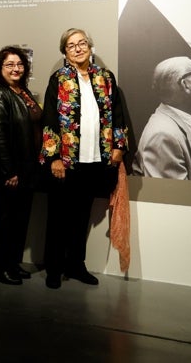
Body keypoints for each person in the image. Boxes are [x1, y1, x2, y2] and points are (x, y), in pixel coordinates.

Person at [39, 28, 128, 289]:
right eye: (71, 45)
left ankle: (76, 266)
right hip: (66, 163)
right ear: (64, 52)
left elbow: (118, 113)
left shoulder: (106, 78)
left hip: (95, 161)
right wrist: (53, 156)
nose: (78, 48)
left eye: (82, 43)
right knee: (58, 218)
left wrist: (119, 146)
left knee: (81, 218)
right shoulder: (58, 79)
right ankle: (54, 269)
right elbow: (50, 119)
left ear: (90, 46)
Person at [0, 46, 42, 286]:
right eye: (10, 65)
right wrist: (9, 171)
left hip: (27, 170)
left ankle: (13, 264)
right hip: (10, 172)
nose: (16, 69)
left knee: (20, 221)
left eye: (20, 64)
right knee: (7, 222)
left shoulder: (22, 91)